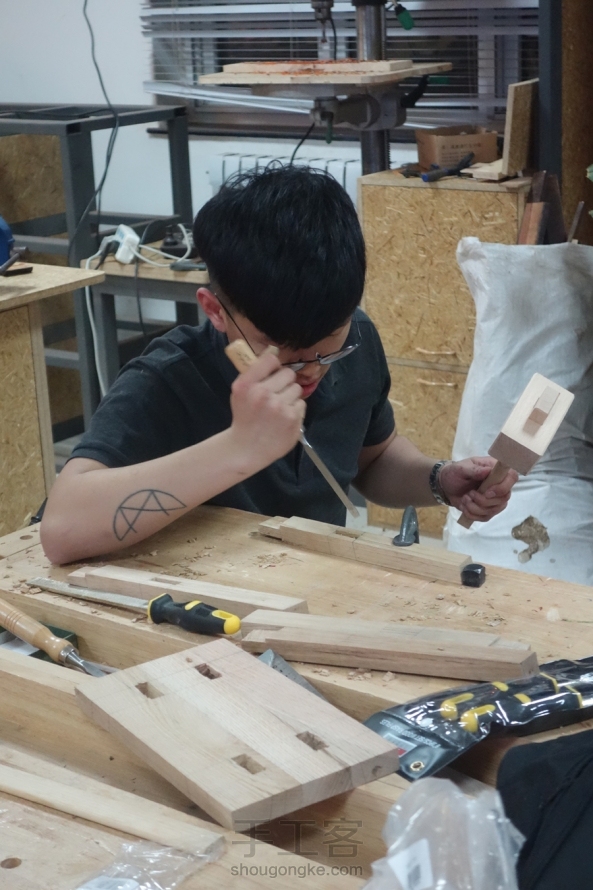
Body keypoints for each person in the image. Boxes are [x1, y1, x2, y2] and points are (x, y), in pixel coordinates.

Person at [40, 165, 517, 564]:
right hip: (199, 613)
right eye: (282, 351)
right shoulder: (167, 380)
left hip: (310, 593)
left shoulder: (358, 338)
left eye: (327, 348)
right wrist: (238, 447)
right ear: (215, 311)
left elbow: (372, 458)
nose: (310, 370)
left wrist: (438, 480)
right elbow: (61, 530)